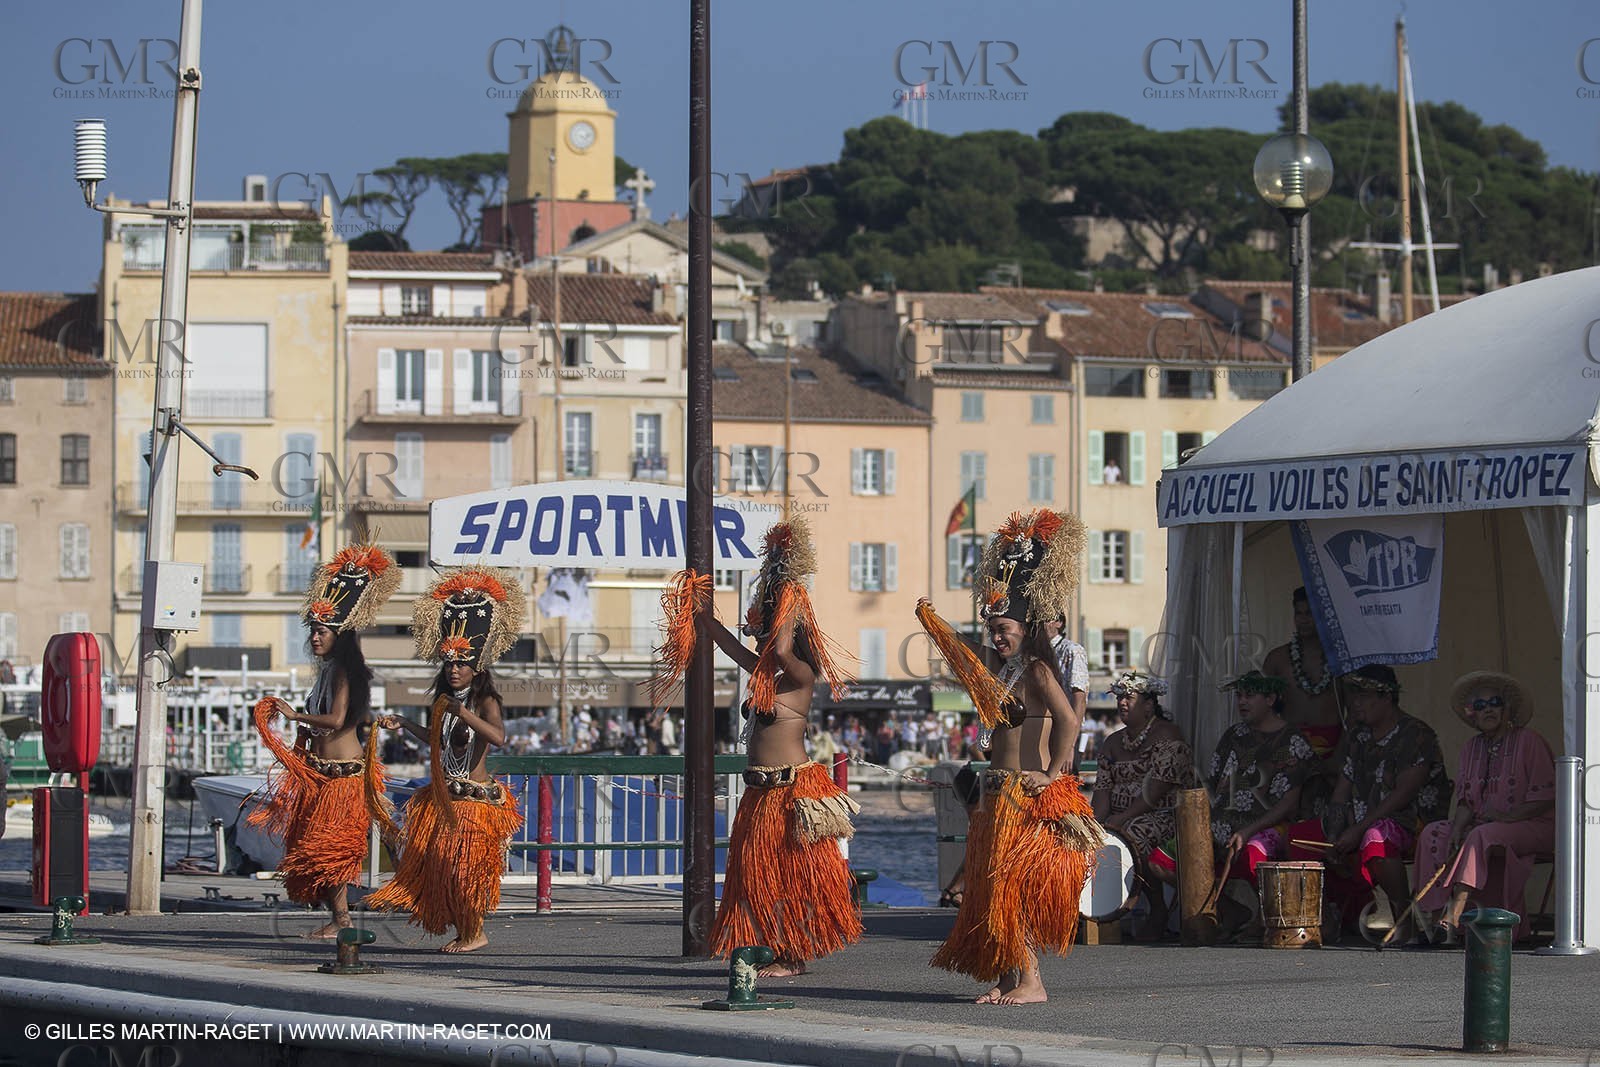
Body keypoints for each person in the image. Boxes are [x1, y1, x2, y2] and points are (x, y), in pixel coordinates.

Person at [652, 517, 860, 977]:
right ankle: (773, 946)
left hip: (793, 792)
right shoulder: (762, 674)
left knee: (793, 875)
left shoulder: (800, 675)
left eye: (765, 632)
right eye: (758, 632)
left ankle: (794, 955)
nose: (759, 640)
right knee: (757, 876)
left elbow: (783, 650)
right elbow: (729, 646)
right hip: (760, 792)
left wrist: (787, 601)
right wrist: (702, 616)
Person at [916, 507, 1099, 1005]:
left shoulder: (1038, 668)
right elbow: (967, 655)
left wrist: (1052, 771)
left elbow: (1070, 719)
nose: (998, 635)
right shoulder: (1005, 672)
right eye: (992, 627)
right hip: (995, 795)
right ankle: (1007, 975)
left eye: (1006, 627)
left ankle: (1033, 981)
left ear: (1026, 624)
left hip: (1022, 794)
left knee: (1009, 886)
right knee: (990, 890)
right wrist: (932, 623)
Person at [367, 567, 526, 953]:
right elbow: (437, 741)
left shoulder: (484, 699)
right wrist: (404, 723)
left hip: (475, 803)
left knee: (468, 869)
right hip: (445, 800)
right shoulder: (443, 700)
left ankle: (475, 932)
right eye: (449, 664)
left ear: (477, 666)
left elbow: (499, 738)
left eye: (461, 664)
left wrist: (463, 712)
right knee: (440, 867)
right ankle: (465, 928)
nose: (454, 670)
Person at [249, 541, 400, 939]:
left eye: (322, 631)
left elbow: (334, 720)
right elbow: (322, 723)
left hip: (344, 781)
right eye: (313, 630)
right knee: (318, 851)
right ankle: (340, 919)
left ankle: (344, 920)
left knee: (330, 851)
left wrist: (294, 714)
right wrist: (301, 730)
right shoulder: (327, 671)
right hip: (322, 778)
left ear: (340, 635)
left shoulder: (344, 673)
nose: (315, 637)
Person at [1413, 672, 1555, 945]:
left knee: (1482, 835)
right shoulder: (1471, 748)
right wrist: (1456, 828)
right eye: (1480, 705)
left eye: (1495, 702)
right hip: (1488, 826)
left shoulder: (1529, 741)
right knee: (1434, 832)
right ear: (1472, 715)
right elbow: (1467, 800)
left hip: (1534, 825)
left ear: (1507, 708)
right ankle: (1432, 923)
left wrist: (1508, 818)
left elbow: (1547, 797)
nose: (1488, 708)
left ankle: (1453, 916)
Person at [1322, 664, 1451, 941]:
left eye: (1363, 696)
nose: (1355, 704)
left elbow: (1403, 794)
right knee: (1303, 838)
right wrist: (1333, 835)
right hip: (1362, 821)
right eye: (1353, 696)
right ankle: (1330, 917)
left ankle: (1403, 914)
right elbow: (1342, 790)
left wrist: (1356, 830)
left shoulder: (1416, 734)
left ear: (1386, 697)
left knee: (1375, 838)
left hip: (1411, 822)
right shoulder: (1359, 735)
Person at [1205, 671, 1317, 941]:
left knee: (1256, 850)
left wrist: (1248, 830)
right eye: (1239, 696)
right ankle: (1230, 911)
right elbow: (1212, 783)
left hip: (1268, 824)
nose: (1242, 701)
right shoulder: (1233, 735)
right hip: (1222, 824)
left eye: (1250, 695)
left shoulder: (1292, 741)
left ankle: (1265, 917)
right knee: (1167, 860)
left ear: (1271, 699)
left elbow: (1290, 803)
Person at [1092, 671, 1194, 940]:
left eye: (1130, 697)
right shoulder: (1112, 742)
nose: (1122, 702)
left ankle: (1157, 908)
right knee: (1090, 837)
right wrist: (1095, 824)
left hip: (1163, 815)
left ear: (1149, 704)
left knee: (1133, 834)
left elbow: (1154, 792)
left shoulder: (1168, 736)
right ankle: (1097, 915)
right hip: (1122, 816)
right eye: (1120, 697)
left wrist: (1120, 821)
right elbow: (1102, 793)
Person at [1262, 588, 1346, 809]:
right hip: (1288, 747)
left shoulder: (1341, 660)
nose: (1304, 620)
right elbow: (1262, 710)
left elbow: (1353, 714)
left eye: (1310, 613)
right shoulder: (1277, 659)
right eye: (1299, 614)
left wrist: (1338, 756)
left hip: (1331, 747)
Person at [1044, 615, 1089, 772]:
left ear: (1058, 623)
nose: (1041, 624)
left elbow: (1079, 699)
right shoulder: (1038, 652)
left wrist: (1070, 745)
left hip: (1065, 732)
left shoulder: (1072, 650)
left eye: (1045, 618)